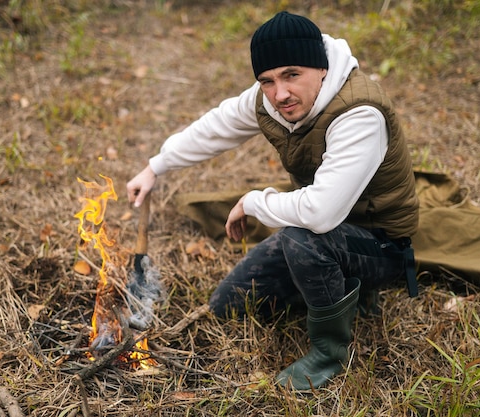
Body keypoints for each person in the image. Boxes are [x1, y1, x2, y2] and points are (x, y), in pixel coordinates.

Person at [126, 11, 419, 390]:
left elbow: (320, 212)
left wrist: (252, 202)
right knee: (228, 306)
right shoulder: (273, 100)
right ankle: (343, 289)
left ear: (322, 69)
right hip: (322, 231)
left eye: (292, 75)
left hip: (380, 244)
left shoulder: (359, 114)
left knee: (303, 237)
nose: (280, 93)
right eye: (267, 81)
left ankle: (330, 353)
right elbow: (217, 126)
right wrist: (155, 167)